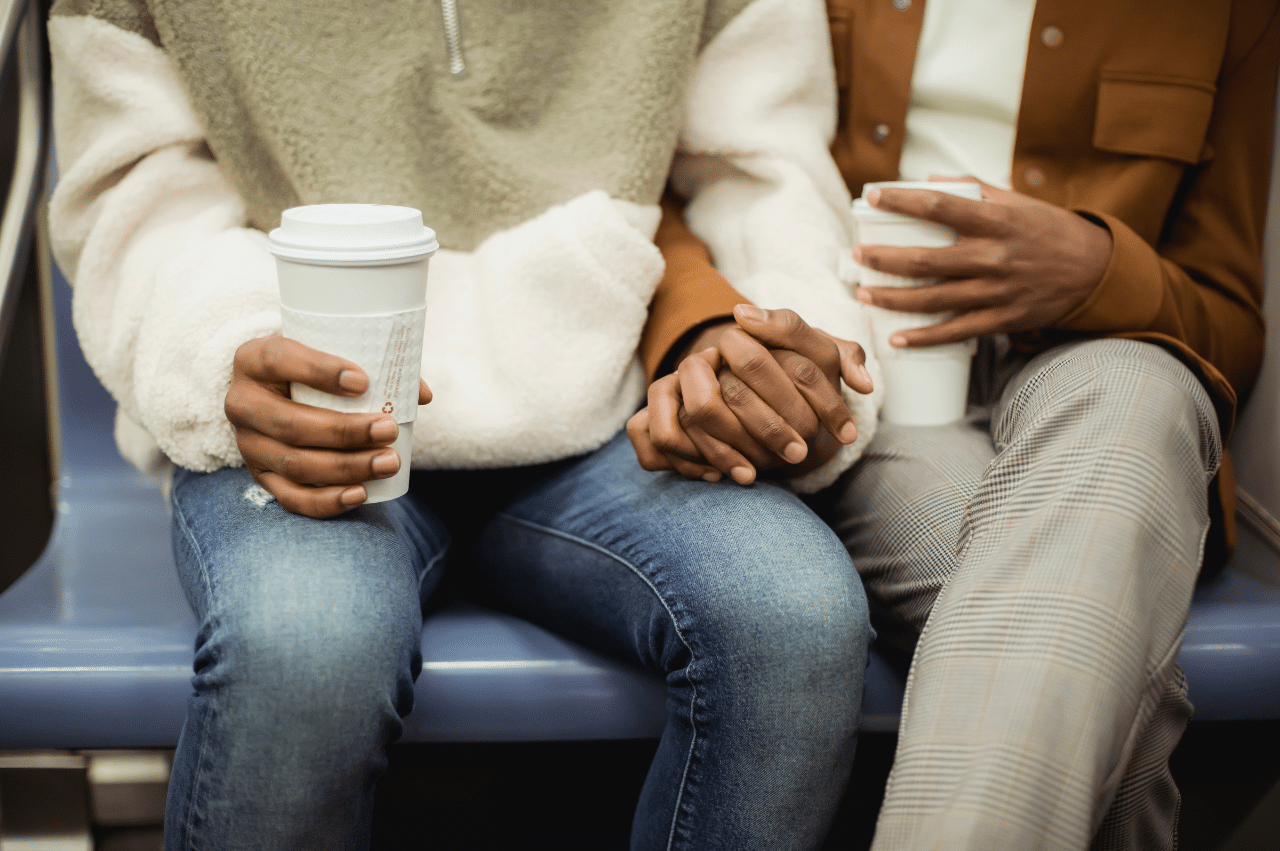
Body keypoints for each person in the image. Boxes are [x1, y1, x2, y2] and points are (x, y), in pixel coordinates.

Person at [46, 1, 885, 848]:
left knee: (796, 616)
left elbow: (762, 173)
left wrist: (779, 348)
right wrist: (223, 349)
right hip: (304, 409)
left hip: (602, 413)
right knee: (305, 644)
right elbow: (133, 188)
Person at [630, 0, 1280, 849]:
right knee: (1070, 634)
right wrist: (711, 324)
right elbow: (679, 174)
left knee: (1140, 386)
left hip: (1102, 376)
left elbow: (1232, 328)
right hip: (879, 392)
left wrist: (1100, 269)